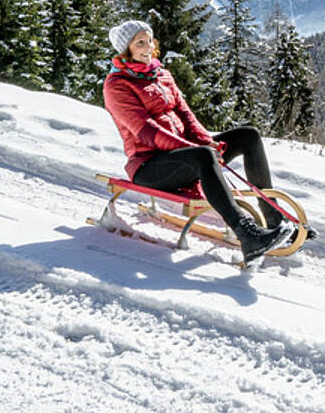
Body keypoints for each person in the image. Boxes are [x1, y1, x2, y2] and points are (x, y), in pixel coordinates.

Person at [102, 18, 295, 263]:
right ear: (126, 50)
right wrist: (197, 149)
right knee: (203, 155)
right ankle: (248, 235)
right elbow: (147, 132)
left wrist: (207, 141)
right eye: (140, 43)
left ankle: (275, 221)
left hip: (185, 155)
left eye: (149, 41)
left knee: (248, 136)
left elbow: (186, 116)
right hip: (149, 166)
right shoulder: (117, 85)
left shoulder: (161, 75)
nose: (148, 47)